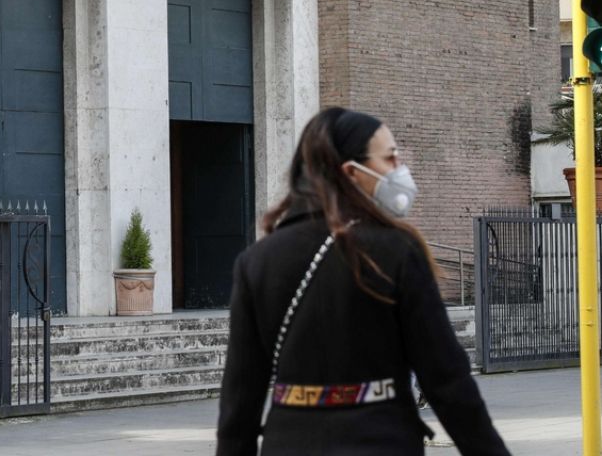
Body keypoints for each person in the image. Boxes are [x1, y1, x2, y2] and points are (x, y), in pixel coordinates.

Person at [216, 108, 508, 455]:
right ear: (352, 173)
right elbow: (447, 381)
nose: (400, 167)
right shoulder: (394, 250)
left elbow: (240, 400)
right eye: (390, 157)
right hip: (379, 441)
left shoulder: (256, 262)